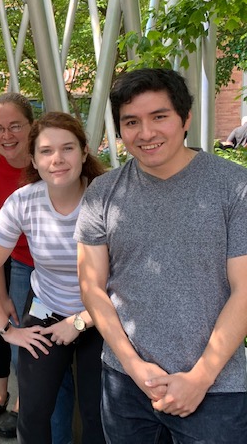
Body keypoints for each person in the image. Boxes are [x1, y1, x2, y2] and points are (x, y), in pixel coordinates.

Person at [75, 68, 247, 443]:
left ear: (185, 119)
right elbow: (92, 287)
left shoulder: (234, 187)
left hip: (217, 387)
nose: (146, 133)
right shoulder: (102, 193)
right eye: (131, 121)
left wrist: (200, 378)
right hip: (126, 384)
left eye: (159, 117)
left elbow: (245, 291)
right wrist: (135, 367)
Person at [0, 110, 106, 443]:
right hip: (48, 308)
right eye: (46, 151)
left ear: (84, 152)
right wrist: (7, 331)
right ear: (32, 158)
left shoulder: (106, 199)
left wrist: (79, 322)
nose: (57, 159)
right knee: (32, 413)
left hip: (104, 316)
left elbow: (130, 283)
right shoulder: (24, 201)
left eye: (68, 148)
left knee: (98, 415)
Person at [0, 92, 74, 441]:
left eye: (16, 126)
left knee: (70, 367)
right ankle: (23, 404)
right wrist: (1, 297)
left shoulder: (53, 160)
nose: (7, 135)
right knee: (24, 349)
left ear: (32, 126)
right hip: (22, 266)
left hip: (76, 269)